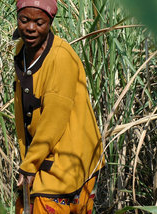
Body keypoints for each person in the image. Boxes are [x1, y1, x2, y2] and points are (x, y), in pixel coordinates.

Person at [12, 0, 104, 213]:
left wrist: (29, 164)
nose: (31, 28)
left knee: (46, 203)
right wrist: (29, 159)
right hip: (42, 154)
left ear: (51, 22)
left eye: (39, 22)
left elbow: (54, 119)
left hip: (71, 156)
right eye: (24, 20)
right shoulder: (21, 51)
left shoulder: (61, 58)